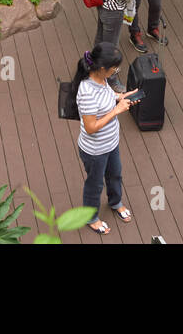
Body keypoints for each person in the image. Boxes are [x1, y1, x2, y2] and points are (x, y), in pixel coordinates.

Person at [72, 43, 134, 234]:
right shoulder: (86, 92)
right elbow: (90, 128)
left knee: (115, 174)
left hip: (111, 143)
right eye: (115, 68)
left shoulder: (102, 79)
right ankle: (91, 217)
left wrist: (120, 97)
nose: (116, 71)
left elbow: (107, 95)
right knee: (95, 184)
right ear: (101, 68)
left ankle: (115, 202)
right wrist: (117, 111)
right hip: (95, 150)